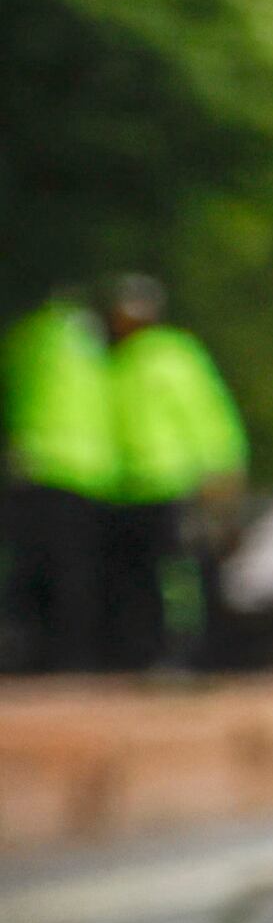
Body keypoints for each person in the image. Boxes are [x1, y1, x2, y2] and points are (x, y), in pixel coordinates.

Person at [95, 279, 245, 673]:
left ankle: (190, 655)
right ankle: (150, 653)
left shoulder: (174, 354)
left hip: (175, 482)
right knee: (143, 578)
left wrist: (220, 467)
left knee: (181, 579)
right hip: (130, 486)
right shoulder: (115, 362)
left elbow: (207, 414)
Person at [2, 289, 116, 676]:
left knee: (35, 569)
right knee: (73, 573)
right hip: (90, 473)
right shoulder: (98, 351)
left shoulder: (30, 337)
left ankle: (43, 653)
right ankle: (72, 656)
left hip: (41, 467)